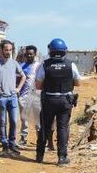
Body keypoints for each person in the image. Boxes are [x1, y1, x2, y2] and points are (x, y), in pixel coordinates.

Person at [34, 38, 82, 166]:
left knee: (45, 127)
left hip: (49, 100)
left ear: (50, 50)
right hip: (65, 101)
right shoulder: (71, 64)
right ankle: (62, 158)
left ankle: (39, 156)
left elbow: (38, 86)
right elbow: (77, 83)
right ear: (64, 51)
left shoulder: (45, 65)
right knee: (62, 128)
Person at [0, 40, 26, 155]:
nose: (8, 52)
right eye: (6, 50)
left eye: (10, 50)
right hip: (1, 97)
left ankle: (12, 144)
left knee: (14, 121)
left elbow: (23, 76)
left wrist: (18, 89)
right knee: (3, 121)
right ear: (2, 50)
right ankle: (4, 145)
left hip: (12, 97)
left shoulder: (14, 63)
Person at [18, 45, 41, 146]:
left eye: (31, 54)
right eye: (27, 54)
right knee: (24, 118)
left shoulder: (39, 66)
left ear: (35, 54)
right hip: (24, 96)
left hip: (37, 96)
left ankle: (40, 139)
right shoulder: (21, 66)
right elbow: (17, 80)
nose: (29, 55)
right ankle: (23, 138)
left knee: (38, 119)